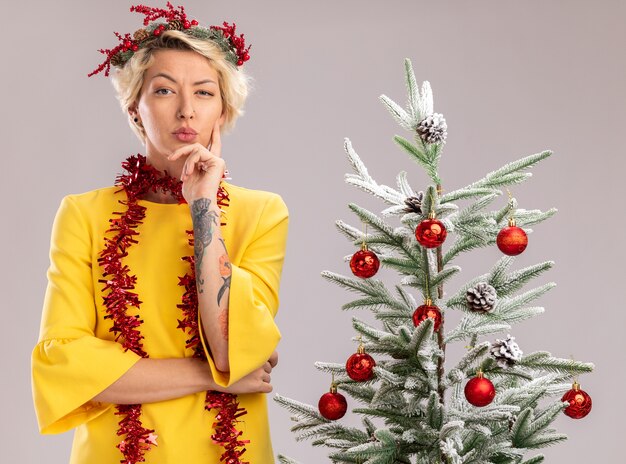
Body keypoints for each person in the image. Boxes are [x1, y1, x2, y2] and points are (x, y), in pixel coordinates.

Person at [31, 3, 288, 463]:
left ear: (223, 112)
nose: (187, 109)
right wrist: (209, 376)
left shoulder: (261, 212)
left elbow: (229, 349)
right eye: (165, 90)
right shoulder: (83, 215)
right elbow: (63, 363)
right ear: (135, 109)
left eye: (205, 93)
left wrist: (204, 207)